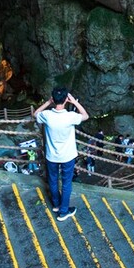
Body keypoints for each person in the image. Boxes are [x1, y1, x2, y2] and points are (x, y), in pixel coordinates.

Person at [34, 87, 90, 222]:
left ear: (53, 99)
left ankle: (57, 205)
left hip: (52, 156)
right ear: (66, 99)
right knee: (66, 183)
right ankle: (63, 212)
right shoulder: (70, 116)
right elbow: (86, 116)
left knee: (52, 181)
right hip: (67, 156)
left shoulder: (47, 115)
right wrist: (74, 102)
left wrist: (48, 102)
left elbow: (35, 113)